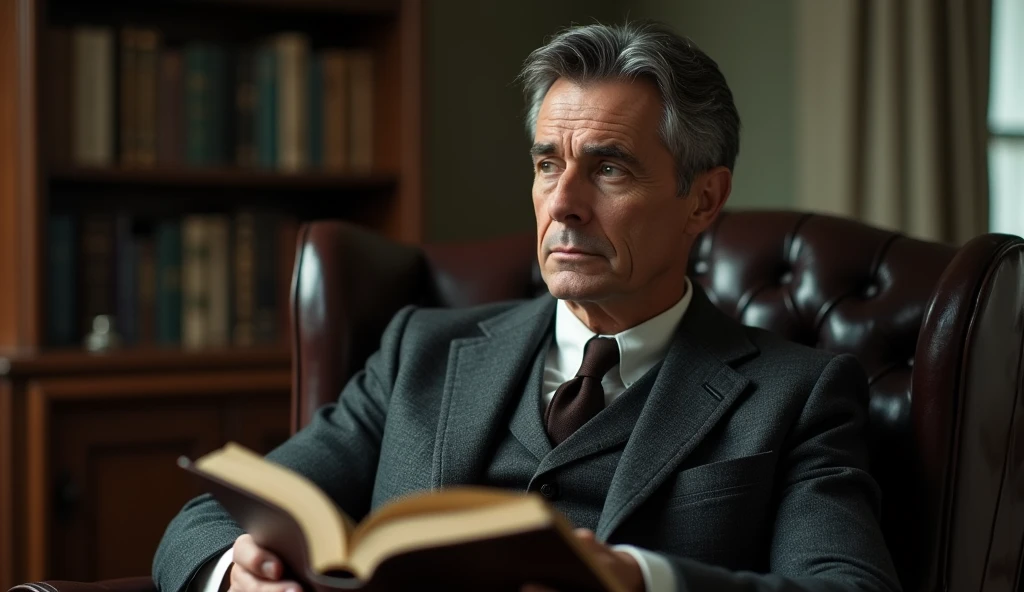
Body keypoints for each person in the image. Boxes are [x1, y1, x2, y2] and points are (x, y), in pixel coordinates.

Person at [153, 21, 901, 592]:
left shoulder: (796, 395)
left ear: (703, 198)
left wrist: (643, 579)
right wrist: (234, 573)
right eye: (549, 164)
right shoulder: (422, 350)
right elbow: (207, 519)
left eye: (608, 168)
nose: (564, 204)